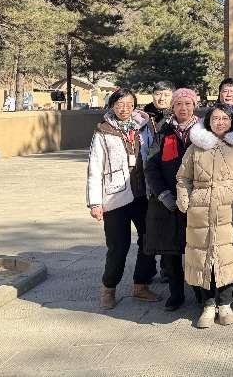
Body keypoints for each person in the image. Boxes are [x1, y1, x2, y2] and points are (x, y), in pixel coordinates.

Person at [176, 103, 233, 328]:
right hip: (200, 210)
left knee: (227, 257)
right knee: (203, 258)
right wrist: (184, 198)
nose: (220, 122)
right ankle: (208, 304)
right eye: (215, 118)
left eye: (224, 118)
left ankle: (226, 303)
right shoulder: (195, 148)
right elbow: (183, 177)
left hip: (230, 208)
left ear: (231, 122)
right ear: (208, 122)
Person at [86, 88, 159, 310]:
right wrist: (95, 202)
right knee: (118, 246)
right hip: (115, 196)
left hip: (143, 194)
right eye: (119, 104)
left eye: (129, 104)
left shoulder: (144, 126)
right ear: (112, 106)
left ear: (135, 106)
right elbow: (95, 168)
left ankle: (141, 284)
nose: (124, 108)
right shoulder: (103, 130)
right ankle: (108, 288)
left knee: (149, 241)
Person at [144, 88, 199, 311]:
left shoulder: (204, 131)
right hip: (167, 201)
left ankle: (200, 291)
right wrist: (163, 193)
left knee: (196, 249)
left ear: (194, 106)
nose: (183, 108)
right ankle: (176, 293)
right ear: (172, 107)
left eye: (188, 104)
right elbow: (151, 166)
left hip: (196, 200)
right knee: (171, 251)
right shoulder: (164, 131)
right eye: (178, 104)